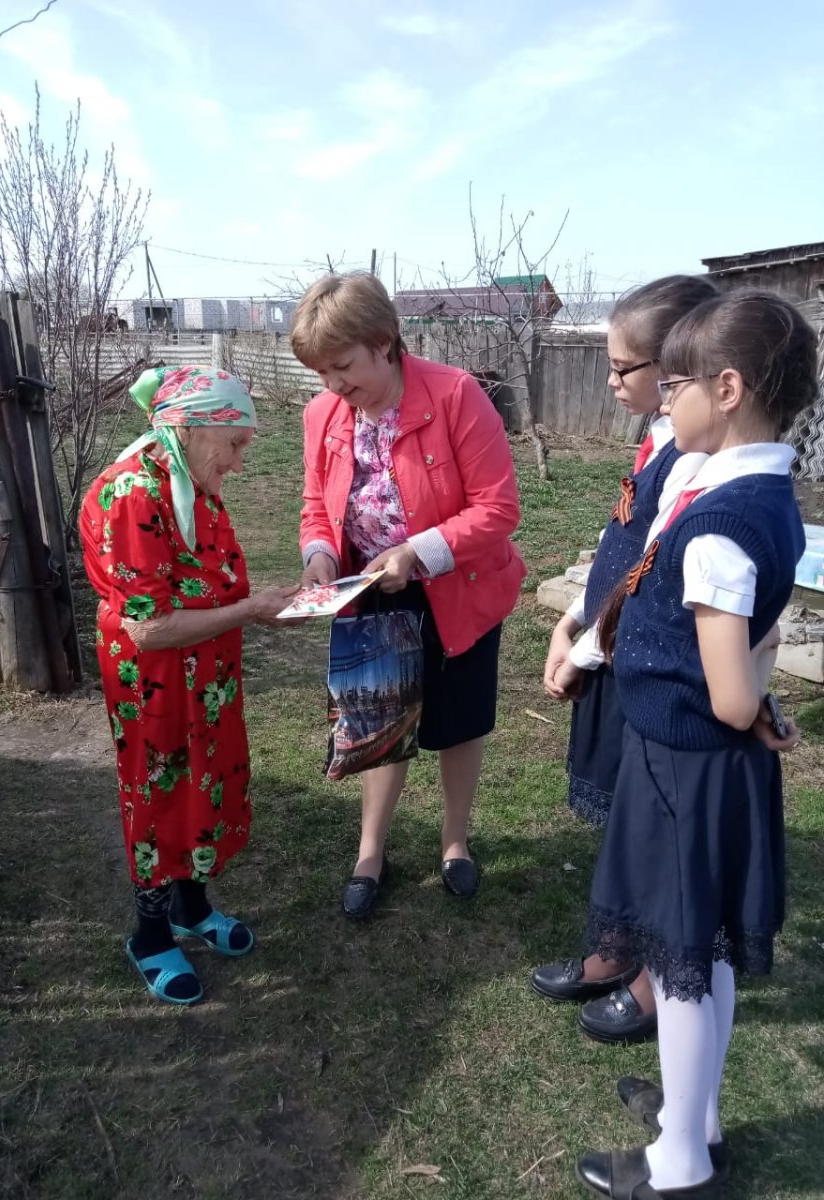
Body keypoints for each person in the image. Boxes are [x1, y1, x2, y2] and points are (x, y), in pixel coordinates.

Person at [574, 292, 816, 1198]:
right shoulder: (754, 489)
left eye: (673, 385)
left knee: (680, 964)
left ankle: (680, 1163)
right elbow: (751, 657)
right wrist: (760, 702)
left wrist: (753, 703)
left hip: (688, 770)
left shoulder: (720, 528)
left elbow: (724, 694)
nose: (663, 403)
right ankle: (695, 1115)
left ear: (727, 387)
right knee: (700, 952)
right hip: (701, 764)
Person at [291, 272, 526, 918]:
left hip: (459, 590)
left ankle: (454, 841)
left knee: (459, 719)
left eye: (342, 367)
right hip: (373, 590)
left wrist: (420, 552)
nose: (334, 387)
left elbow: (499, 509)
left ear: (384, 341)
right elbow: (317, 504)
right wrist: (321, 556)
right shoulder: (323, 415)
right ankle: (371, 850)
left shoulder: (455, 396)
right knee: (378, 719)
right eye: (322, 373)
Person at [533, 276, 717, 1044]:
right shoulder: (656, 440)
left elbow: (647, 576)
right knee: (622, 822)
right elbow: (618, 551)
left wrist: (582, 643)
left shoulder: (693, 460)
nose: (611, 382)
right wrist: (575, 612)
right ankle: (613, 951)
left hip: (643, 663)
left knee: (652, 832)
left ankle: (647, 980)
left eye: (625, 369)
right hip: (614, 648)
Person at [80, 366, 297, 1005]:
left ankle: (192, 906)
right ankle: (150, 934)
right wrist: (250, 612)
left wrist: (260, 606)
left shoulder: (189, 480)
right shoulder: (132, 495)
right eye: (234, 442)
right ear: (190, 427)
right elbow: (149, 631)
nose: (240, 459)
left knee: (209, 780)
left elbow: (205, 578)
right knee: (160, 792)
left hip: (208, 674)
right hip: (155, 682)